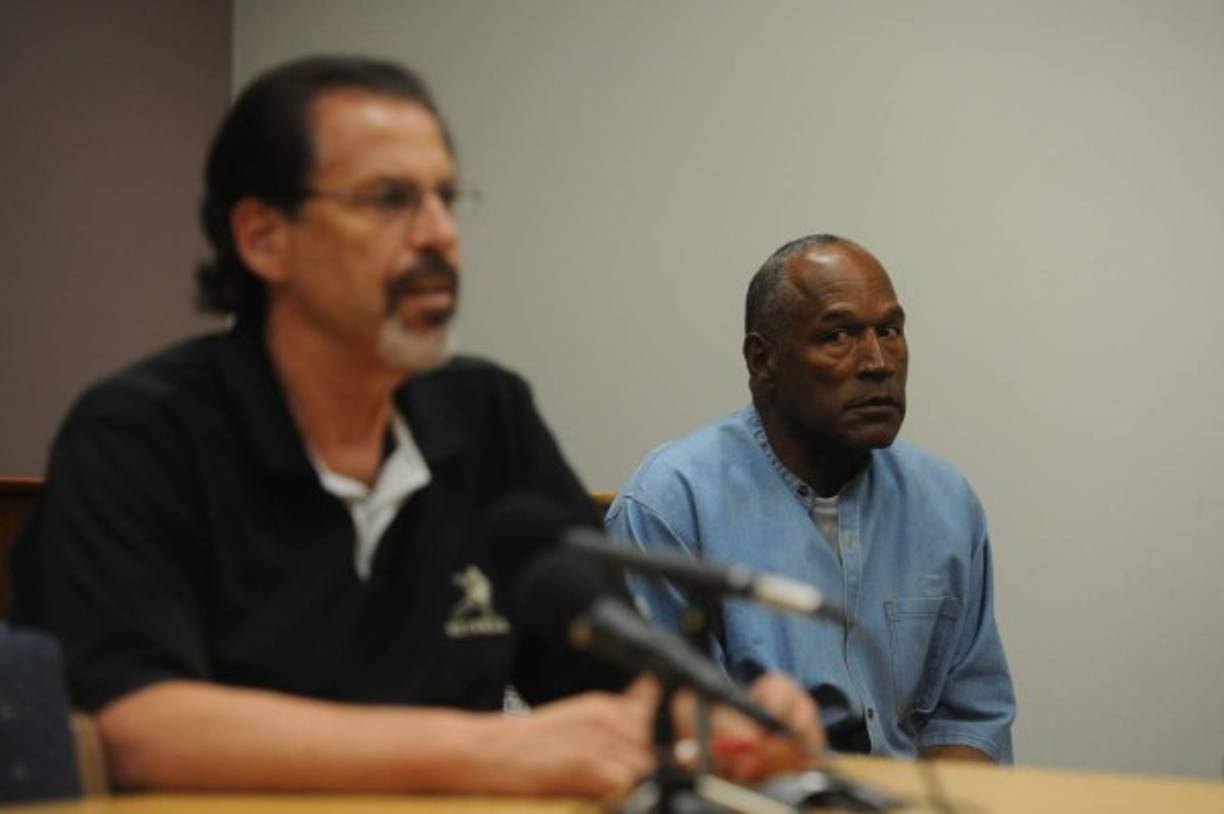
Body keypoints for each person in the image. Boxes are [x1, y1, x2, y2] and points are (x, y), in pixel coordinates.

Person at [11, 57, 822, 798]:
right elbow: (137, 727)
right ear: (262, 236)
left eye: (445, 196)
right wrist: (487, 751)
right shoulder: (139, 433)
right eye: (392, 200)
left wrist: (708, 717)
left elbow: (605, 684)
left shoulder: (486, 415)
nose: (439, 233)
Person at [606, 234, 1015, 763]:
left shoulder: (945, 502)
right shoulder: (671, 503)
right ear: (763, 360)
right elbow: (667, 736)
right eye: (839, 335)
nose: (878, 362)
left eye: (889, 332)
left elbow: (970, 717)